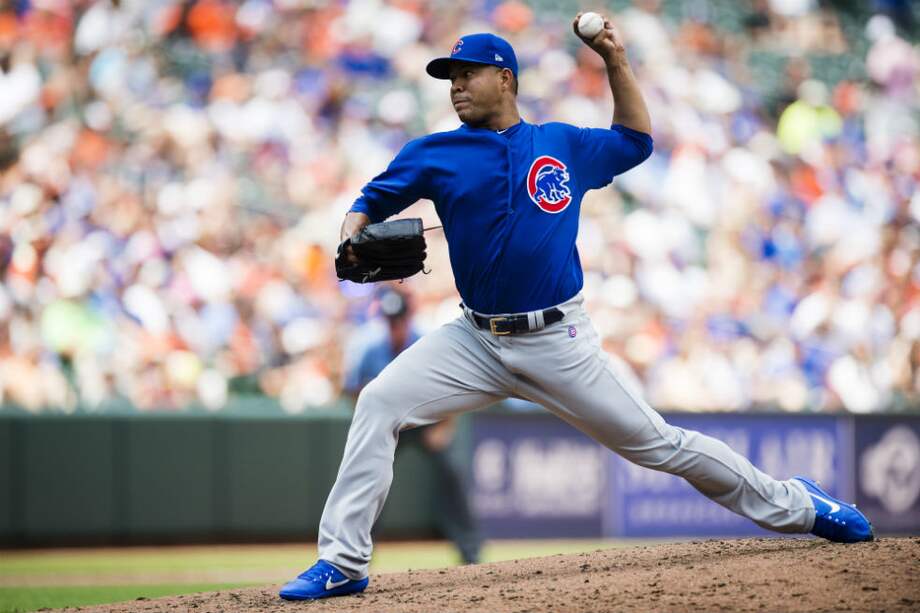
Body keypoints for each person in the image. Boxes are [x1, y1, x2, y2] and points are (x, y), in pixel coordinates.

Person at [280, 13, 874, 601]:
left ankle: (800, 505)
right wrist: (349, 235)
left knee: (661, 445)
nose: (456, 85)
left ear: (506, 79)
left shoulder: (562, 144)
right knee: (379, 402)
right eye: (450, 77)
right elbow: (369, 200)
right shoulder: (434, 153)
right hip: (474, 340)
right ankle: (343, 561)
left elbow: (636, 140)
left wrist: (616, 60)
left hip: (557, 341)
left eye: (467, 73)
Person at [342, 287, 482, 566]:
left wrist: (444, 427)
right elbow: (352, 390)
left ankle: (470, 552)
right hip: (389, 423)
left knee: (452, 472)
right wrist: (372, 426)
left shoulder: (425, 341)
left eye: (399, 320)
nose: (395, 327)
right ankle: (357, 554)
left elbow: (453, 388)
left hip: (425, 420)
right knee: (369, 477)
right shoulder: (369, 348)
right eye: (391, 321)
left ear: (408, 318)